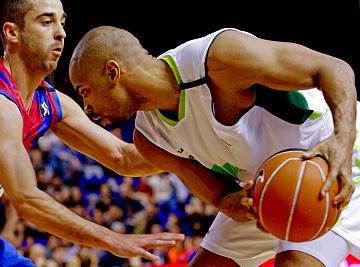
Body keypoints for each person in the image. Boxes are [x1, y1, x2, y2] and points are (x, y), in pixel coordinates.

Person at [68, 25, 360, 266]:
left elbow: (334, 69)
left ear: (112, 72)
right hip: (267, 186)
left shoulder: (217, 60)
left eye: (85, 92)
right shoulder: (149, 138)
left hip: (330, 152)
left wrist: (342, 143)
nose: (88, 109)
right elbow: (218, 193)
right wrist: (228, 202)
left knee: (295, 262)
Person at [0, 1, 185, 266]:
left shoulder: (48, 101)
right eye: (46, 22)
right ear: (12, 33)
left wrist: (197, 153)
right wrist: (113, 239)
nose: (61, 33)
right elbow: (27, 200)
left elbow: (123, 157)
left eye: (62, 22)